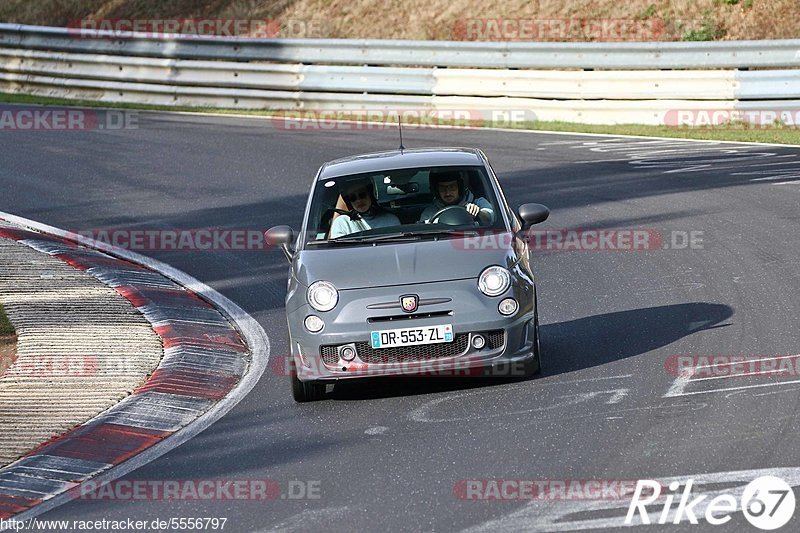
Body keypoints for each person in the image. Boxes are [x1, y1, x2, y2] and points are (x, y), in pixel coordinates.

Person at [419, 169, 494, 225]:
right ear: (437, 191)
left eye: (452, 187)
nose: (447, 193)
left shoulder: (479, 203)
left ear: (460, 188)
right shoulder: (429, 213)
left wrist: (478, 213)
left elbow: (490, 217)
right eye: (442, 188)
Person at [329, 179, 400, 238]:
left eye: (362, 195)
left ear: (370, 195)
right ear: (348, 201)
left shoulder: (391, 220)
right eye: (352, 198)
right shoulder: (342, 223)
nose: (358, 200)